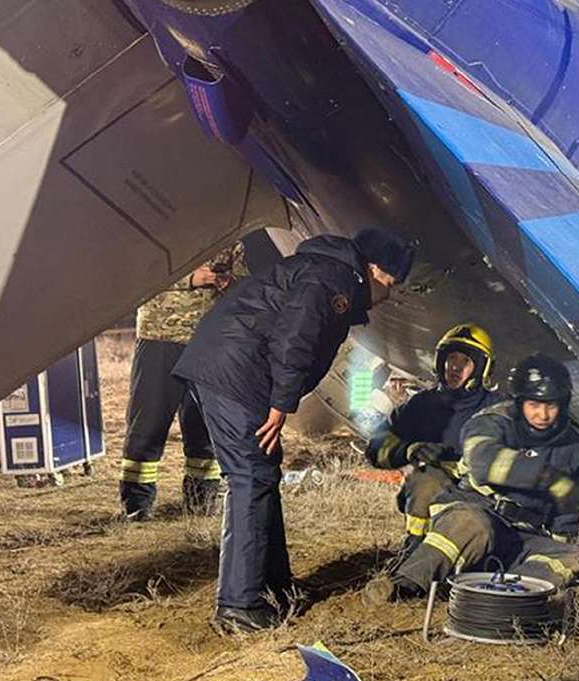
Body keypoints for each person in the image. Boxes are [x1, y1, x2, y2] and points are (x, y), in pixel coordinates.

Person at [172, 227, 414, 634]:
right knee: (249, 478)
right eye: (391, 282)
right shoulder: (332, 279)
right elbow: (295, 338)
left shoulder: (326, 272)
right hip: (235, 374)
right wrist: (282, 404)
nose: (390, 294)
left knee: (263, 474)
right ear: (373, 269)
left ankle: (274, 589)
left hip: (235, 369)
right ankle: (238, 605)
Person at [384, 353, 579, 600]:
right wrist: (543, 475)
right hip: (477, 511)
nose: (543, 415)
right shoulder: (491, 421)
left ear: (563, 404)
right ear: (519, 401)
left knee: (571, 555)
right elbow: (482, 462)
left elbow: (568, 507)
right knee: (472, 524)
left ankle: (503, 600)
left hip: (524, 534)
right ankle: (402, 585)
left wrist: (560, 539)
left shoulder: (573, 443)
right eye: (534, 405)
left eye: (551, 406)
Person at [120, 242, 246, 521]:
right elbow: (138, 272)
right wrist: (190, 279)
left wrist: (229, 282)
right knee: (148, 423)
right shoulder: (163, 231)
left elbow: (244, 278)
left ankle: (202, 501)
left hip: (208, 341)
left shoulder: (230, 235)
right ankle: (137, 505)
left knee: (203, 426)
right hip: (159, 337)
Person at [365, 323, 503, 558]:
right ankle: (415, 548)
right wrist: (409, 450)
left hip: (483, 496)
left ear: (481, 368)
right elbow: (376, 446)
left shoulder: (499, 409)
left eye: (465, 361)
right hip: (433, 491)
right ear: (441, 362)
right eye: (452, 358)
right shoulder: (421, 405)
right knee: (425, 482)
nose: (456, 367)